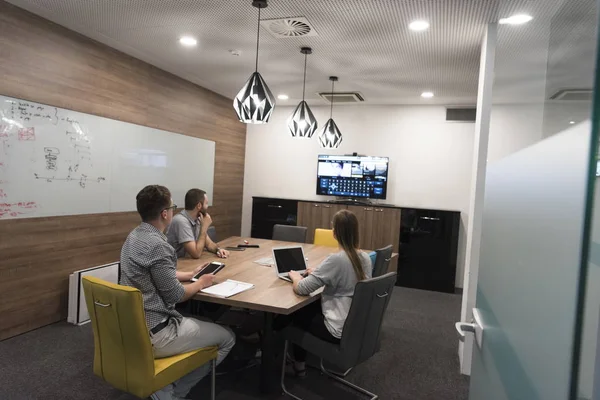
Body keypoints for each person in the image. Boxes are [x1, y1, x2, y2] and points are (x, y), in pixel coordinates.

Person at [120, 185, 235, 400]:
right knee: (227, 337)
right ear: (165, 214)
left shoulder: (133, 237)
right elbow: (177, 296)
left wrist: (189, 273)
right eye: (172, 207)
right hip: (156, 333)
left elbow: (155, 272)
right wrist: (201, 282)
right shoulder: (158, 245)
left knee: (201, 320)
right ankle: (175, 392)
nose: (174, 211)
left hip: (130, 327)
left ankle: (163, 386)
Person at [285, 209, 372, 376]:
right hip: (354, 323)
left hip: (337, 328)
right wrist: (318, 272)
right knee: (308, 308)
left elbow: (302, 288)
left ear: (335, 232)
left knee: (294, 314)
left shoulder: (336, 259)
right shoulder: (365, 258)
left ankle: (294, 362)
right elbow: (344, 275)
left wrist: (295, 276)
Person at [167, 188, 229, 259]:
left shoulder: (198, 219)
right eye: (206, 203)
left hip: (188, 262)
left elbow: (209, 244)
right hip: (176, 264)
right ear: (199, 205)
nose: (207, 206)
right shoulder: (180, 221)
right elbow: (196, 254)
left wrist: (218, 250)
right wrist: (204, 227)